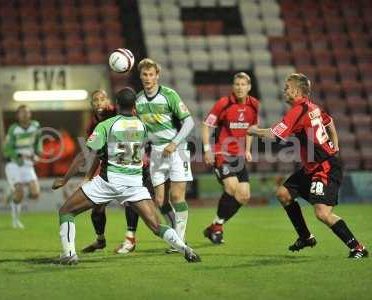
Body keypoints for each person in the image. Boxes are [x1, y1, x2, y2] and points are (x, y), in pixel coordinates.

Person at [53, 87, 201, 264]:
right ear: (134, 107)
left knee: (66, 212)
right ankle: (184, 248)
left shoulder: (106, 125)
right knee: (156, 226)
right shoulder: (142, 126)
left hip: (108, 182)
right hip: (134, 184)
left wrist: (65, 178)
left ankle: (69, 254)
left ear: (116, 104)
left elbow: (85, 155)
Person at [247, 73, 368, 259]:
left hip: (324, 167)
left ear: (296, 91)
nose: (284, 90)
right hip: (312, 167)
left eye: (287, 87)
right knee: (283, 194)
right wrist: (335, 144)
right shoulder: (312, 107)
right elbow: (330, 122)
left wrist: (251, 130)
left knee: (322, 213)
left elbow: (274, 135)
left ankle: (358, 247)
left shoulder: (298, 110)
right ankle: (305, 237)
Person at [120, 58, 195, 254]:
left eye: (151, 74)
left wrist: (174, 143)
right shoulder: (138, 100)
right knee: (159, 201)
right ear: (141, 76)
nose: (148, 78)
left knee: (177, 196)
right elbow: (139, 130)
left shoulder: (169, 95)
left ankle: (180, 242)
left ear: (157, 76)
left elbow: (189, 122)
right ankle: (174, 237)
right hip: (156, 153)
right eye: (144, 74)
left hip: (177, 151)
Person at [52, 89, 116, 253]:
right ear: (91, 104)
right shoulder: (93, 125)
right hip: (109, 168)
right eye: (96, 100)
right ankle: (100, 240)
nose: (99, 102)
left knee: (142, 204)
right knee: (97, 209)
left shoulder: (117, 113)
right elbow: (91, 153)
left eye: (103, 99)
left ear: (109, 101)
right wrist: (86, 177)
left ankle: (130, 237)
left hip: (130, 167)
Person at [202, 72, 259, 244]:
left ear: (249, 87)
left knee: (244, 196)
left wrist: (248, 149)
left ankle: (215, 226)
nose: (240, 87)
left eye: (243, 84)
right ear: (233, 87)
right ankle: (217, 229)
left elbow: (252, 127)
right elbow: (206, 125)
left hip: (239, 156)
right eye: (237, 84)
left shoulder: (254, 104)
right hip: (222, 153)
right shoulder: (223, 103)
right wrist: (207, 150)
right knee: (233, 188)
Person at [4, 105, 41, 229]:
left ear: (30, 114)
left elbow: (38, 143)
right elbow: (7, 149)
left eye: (27, 112)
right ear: (17, 115)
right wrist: (18, 156)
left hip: (28, 165)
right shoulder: (13, 129)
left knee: (35, 194)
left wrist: (37, 154)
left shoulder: (35, 126)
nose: (24, 114)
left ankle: (13, 191)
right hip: (15, 164)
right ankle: (15, 220)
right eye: (22, 112)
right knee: (20, 193)